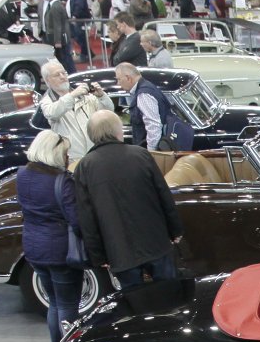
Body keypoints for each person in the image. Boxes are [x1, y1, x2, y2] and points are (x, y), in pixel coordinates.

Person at [75, 110, 183, 290]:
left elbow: (87, 218)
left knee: (134, 300)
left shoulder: (84, 168)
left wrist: (98, 256)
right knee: (169, 294)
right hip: (156, 242)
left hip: (119, 251)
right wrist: (175, 231)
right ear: (118, 131)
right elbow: (163, 195)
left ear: (91, 135)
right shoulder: (141, 155)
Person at [17, 130, 87, 342]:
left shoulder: (22, 174)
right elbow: (76, 220)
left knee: (54, 303)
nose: (68, 157)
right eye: (65, 153)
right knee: (67, 305)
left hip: (34, 248)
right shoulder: (63, 181)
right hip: (60, 251)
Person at [39, 61, 113, 163]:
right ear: (47, 80)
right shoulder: (47, 101)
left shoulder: (85, 95)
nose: (62, 77)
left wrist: (101, 96)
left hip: (94, 154)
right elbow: (52, 113)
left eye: (64, 73)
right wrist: (72, 95)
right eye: (57, 75)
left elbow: (108, 113)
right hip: (70, 158)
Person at [36, 0, 75, 70]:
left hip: (58, 37)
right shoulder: (51, 4)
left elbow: (58, 25)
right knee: (61, 58)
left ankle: (70, 74)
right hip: (50, 35)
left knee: (64, 58)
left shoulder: (55, 6)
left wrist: (58, 41)